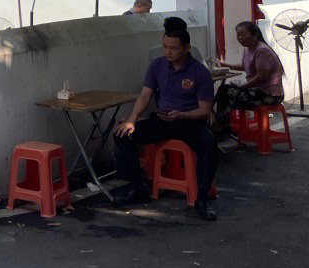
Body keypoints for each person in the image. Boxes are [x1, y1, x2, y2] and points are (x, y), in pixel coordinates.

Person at [113, 17, 218, 220]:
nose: (167, 52)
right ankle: (137, 188)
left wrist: (183, 115)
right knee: (122, 135)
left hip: (190, 122)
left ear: (186, 48)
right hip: (163, 120)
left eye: (173, 48)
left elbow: (204, 110)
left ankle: (202, 198)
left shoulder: (200, 72)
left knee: (208, 144)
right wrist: (132, 120)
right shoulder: (157, 66)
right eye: (164, 46)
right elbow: (145, 95)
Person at [215, 21, 284, 116]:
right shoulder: (247, 49)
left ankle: (223, 125)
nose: (240, 38)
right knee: (223, 89)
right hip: (256, 91)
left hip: (270, 95)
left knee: (228, 94)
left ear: (254, 35)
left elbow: (262, 76)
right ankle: (224, 124)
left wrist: (244, 86)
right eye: (238, 35)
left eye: (244, 34)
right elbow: (245, 66)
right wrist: (226, 65)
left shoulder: (261, 50)